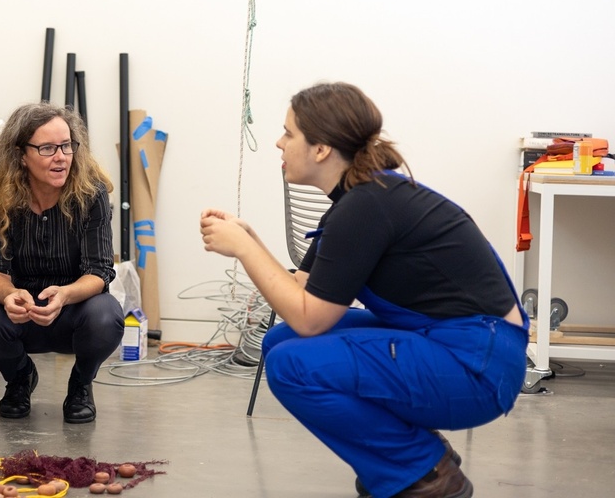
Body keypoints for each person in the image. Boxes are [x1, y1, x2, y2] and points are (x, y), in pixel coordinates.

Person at [200, 82, 528, 498]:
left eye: (288, 133)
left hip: (480, 368)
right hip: (459, 346)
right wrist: (252, 240)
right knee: (280, 340)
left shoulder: (367, 205)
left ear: (320, 150)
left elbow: (310, 318)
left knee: (292, 364)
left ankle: (425, 474)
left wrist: (245, 251)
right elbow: (300, 294)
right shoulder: (358, 199)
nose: (278, 143)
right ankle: (421, 454)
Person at [0, 102, 123, 424]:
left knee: (106, 317)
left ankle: (81, 383)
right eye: (48, 148)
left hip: (75, 311)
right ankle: (20, 376)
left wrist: (65, 294)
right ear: (21, 154)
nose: (61, 157)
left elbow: (101, 271)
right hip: (21, 313)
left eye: (66, 146)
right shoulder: (1, 197)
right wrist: (9, 295)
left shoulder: (91, 195)